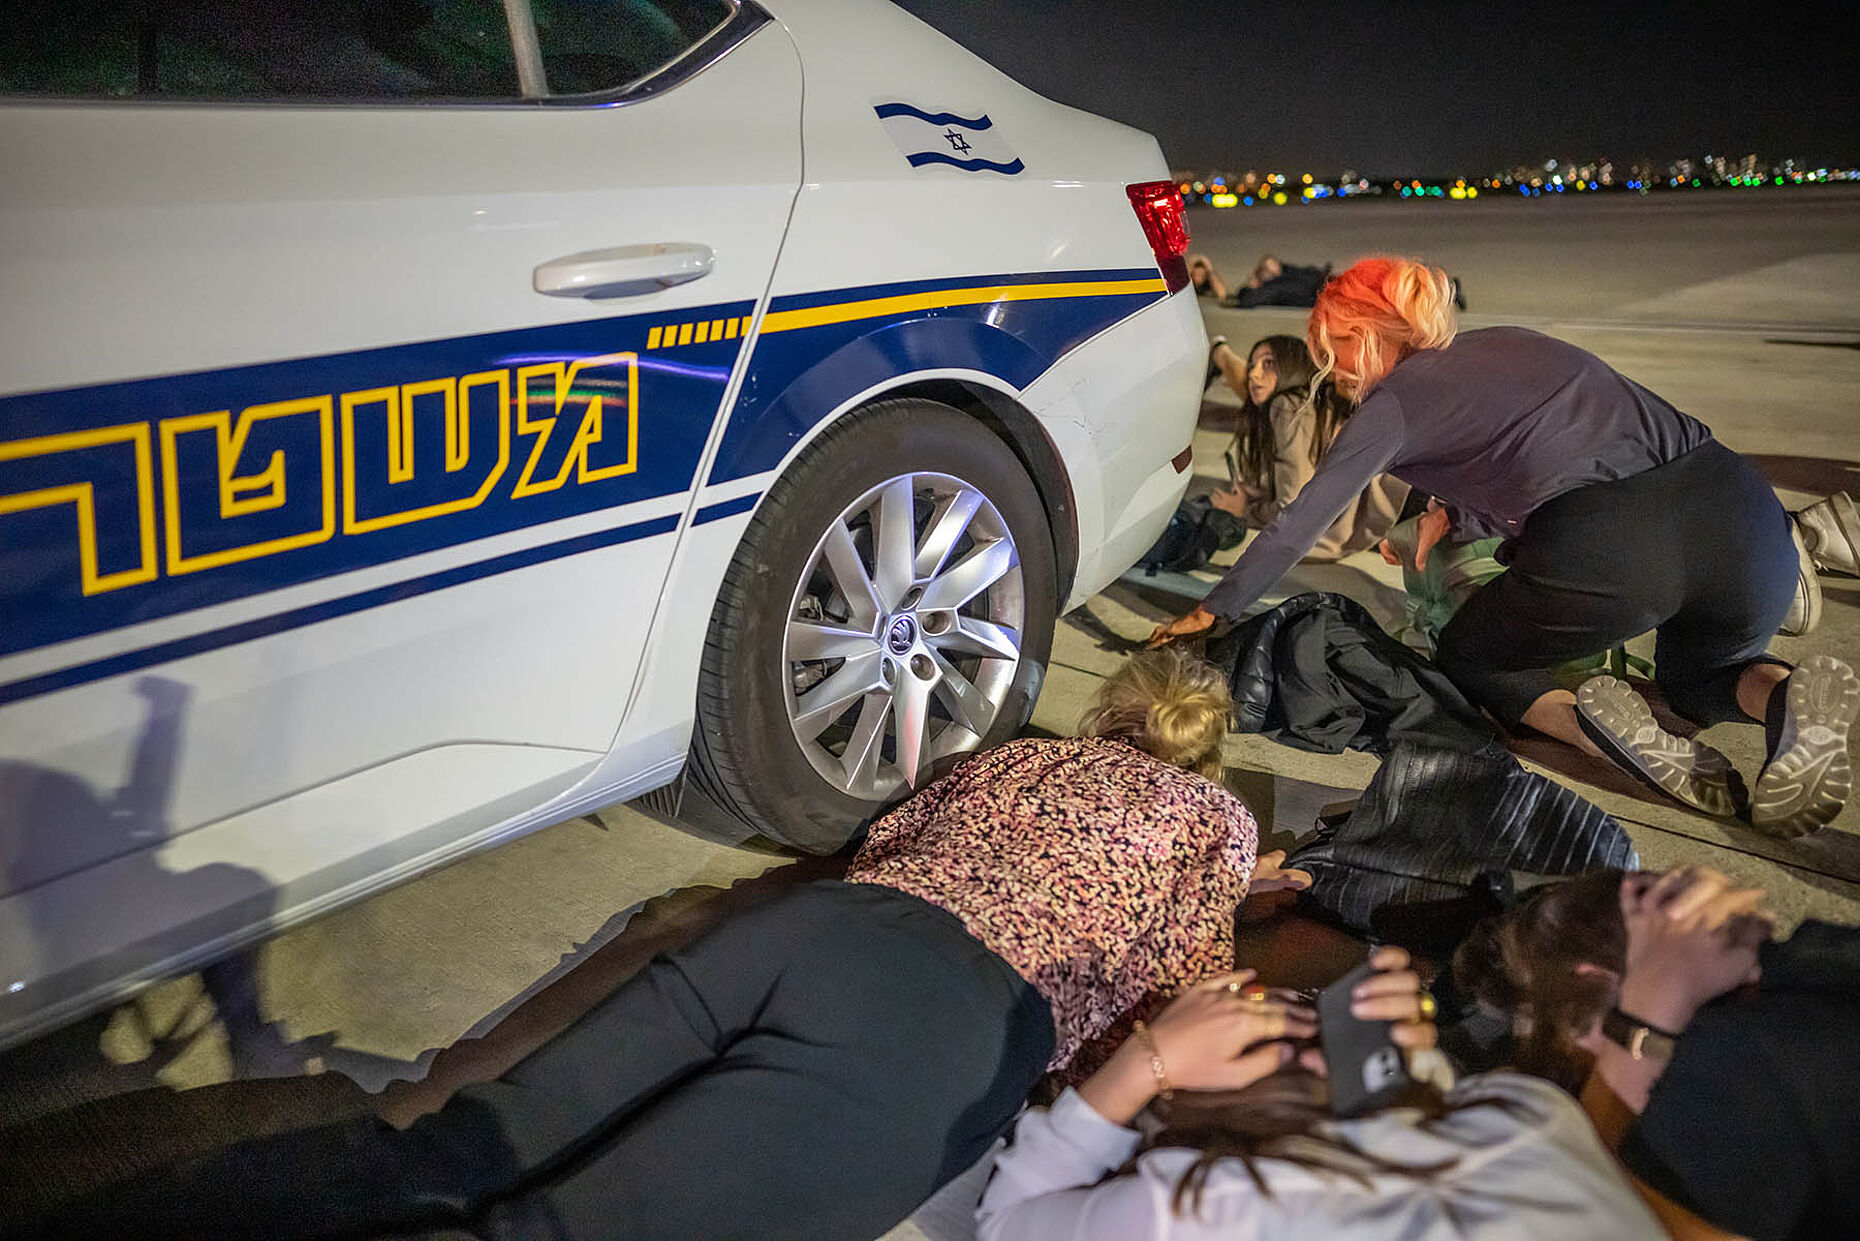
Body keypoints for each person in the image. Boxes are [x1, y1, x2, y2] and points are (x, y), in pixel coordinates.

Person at [17, 649, 1308, 1241]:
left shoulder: (1023, 759)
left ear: (1113, 715)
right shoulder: (1214, 822)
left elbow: (886, 843)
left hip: (826, 930)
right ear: (1201, 757)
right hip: (950, 1024)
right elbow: (1180, 991)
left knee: (455, 1144)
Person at [1151, 255, 1858, 837]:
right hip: (1743, 511)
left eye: (1333, 350)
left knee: (1472, 654)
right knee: (1703, 676)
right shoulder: (1513, 341)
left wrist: (1215, 608)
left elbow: (1303, 517)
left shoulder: (1394, 401)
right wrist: (1453, 518)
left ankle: (1597, 733)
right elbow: (1546, 446)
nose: (1333, 372)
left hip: (1617, 546)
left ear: (1365, 334)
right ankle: (1787, 698)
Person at [975, 945, 1663, 1239]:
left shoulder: (1203, 1207)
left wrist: (1143, 1063)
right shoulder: (1524, 1109)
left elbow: (1003, 1224)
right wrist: (1415, 1064)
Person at [1454, 865, 1860, 1240]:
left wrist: (1645, 1022)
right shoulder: (1817, 958)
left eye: (1552, 1041)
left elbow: (1596, 1210)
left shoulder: (1722, 1079)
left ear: (1592, 993)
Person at [1205, 333, 1409, 560]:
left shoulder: (1288, 407)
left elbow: (1293, 505)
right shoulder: (1307, 404)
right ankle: (1220, 352)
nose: (1253, 374)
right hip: (1402, 496)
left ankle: (1219, 351)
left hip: (1404, 504)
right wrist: (1261, 496)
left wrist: (1244, 510)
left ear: (1291, 367)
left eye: (1269, 363)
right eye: (1252, 365)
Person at [1189, 251, 1330, 308]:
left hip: (1323, 286)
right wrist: (1250, 287)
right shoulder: (1275, 286)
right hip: (1322, 292)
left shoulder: (1284, 277)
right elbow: (1245, 299)